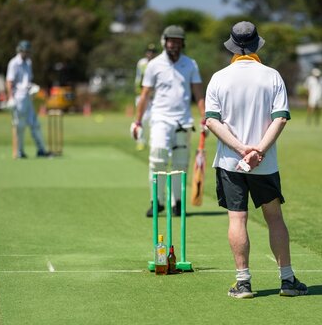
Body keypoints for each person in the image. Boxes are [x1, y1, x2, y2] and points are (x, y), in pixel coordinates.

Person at [204, 21, 308, 299]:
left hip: (230, 162)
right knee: (274, 218)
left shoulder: (219, 77)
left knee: (237, 219)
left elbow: (211, 122)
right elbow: (281, 118)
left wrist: (241, 149)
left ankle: (244, 283)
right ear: (256, 44)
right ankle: (287, 280)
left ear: (232, 46)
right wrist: (258, 151)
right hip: (265, 163)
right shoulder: (272, 76)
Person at [130, 25, 207, 217]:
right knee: (158, 159)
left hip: (183, 120)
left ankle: (177, 203)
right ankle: (157, 201)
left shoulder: (190, 64)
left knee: (181, 163)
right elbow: (145, 94)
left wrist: (205, 117)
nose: (173, 44)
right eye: (170, 40)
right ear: (164, 42)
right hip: (160, 118)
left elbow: (198, 92)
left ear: (182, 43)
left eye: (177, 41)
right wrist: (137, 121)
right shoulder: (154, 65)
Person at [6, 40, 50, 159]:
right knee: (20, 126)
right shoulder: (14, 63)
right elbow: (9, 81)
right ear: (20, 51)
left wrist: (32, 88)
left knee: (35, 124)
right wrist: (10, 97)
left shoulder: (28, 63)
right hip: (18, 99)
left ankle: (41, 150)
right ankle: (19, 152)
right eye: (25, 51)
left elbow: (27, 81)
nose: (27, 54)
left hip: (28, 98)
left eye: (28, 52)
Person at [133, 43, 157, 150]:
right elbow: (139, 79)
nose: (150, 54)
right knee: (141, 118)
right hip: (141, 94)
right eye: (148, 52)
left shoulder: (158, 63)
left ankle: (153, 141)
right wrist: (139, 91)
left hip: (154, 97)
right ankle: (140, 141)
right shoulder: (142, 63)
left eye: (152, 52)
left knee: (153, 119)